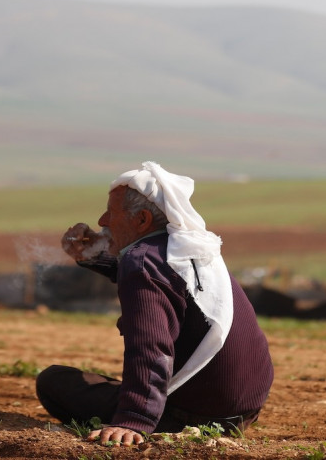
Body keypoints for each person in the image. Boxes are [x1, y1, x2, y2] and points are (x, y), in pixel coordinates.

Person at [36, 162, 274, 445]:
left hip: (194, 415)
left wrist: (133, 421)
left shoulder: (141, 261)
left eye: (112, 213)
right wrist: (92, 254)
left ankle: (148, 412)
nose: (102, 220)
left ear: (141, 220)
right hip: (240, 412)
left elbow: (151, 345)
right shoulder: (190, 247)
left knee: (54, 381)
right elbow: (160, 283)